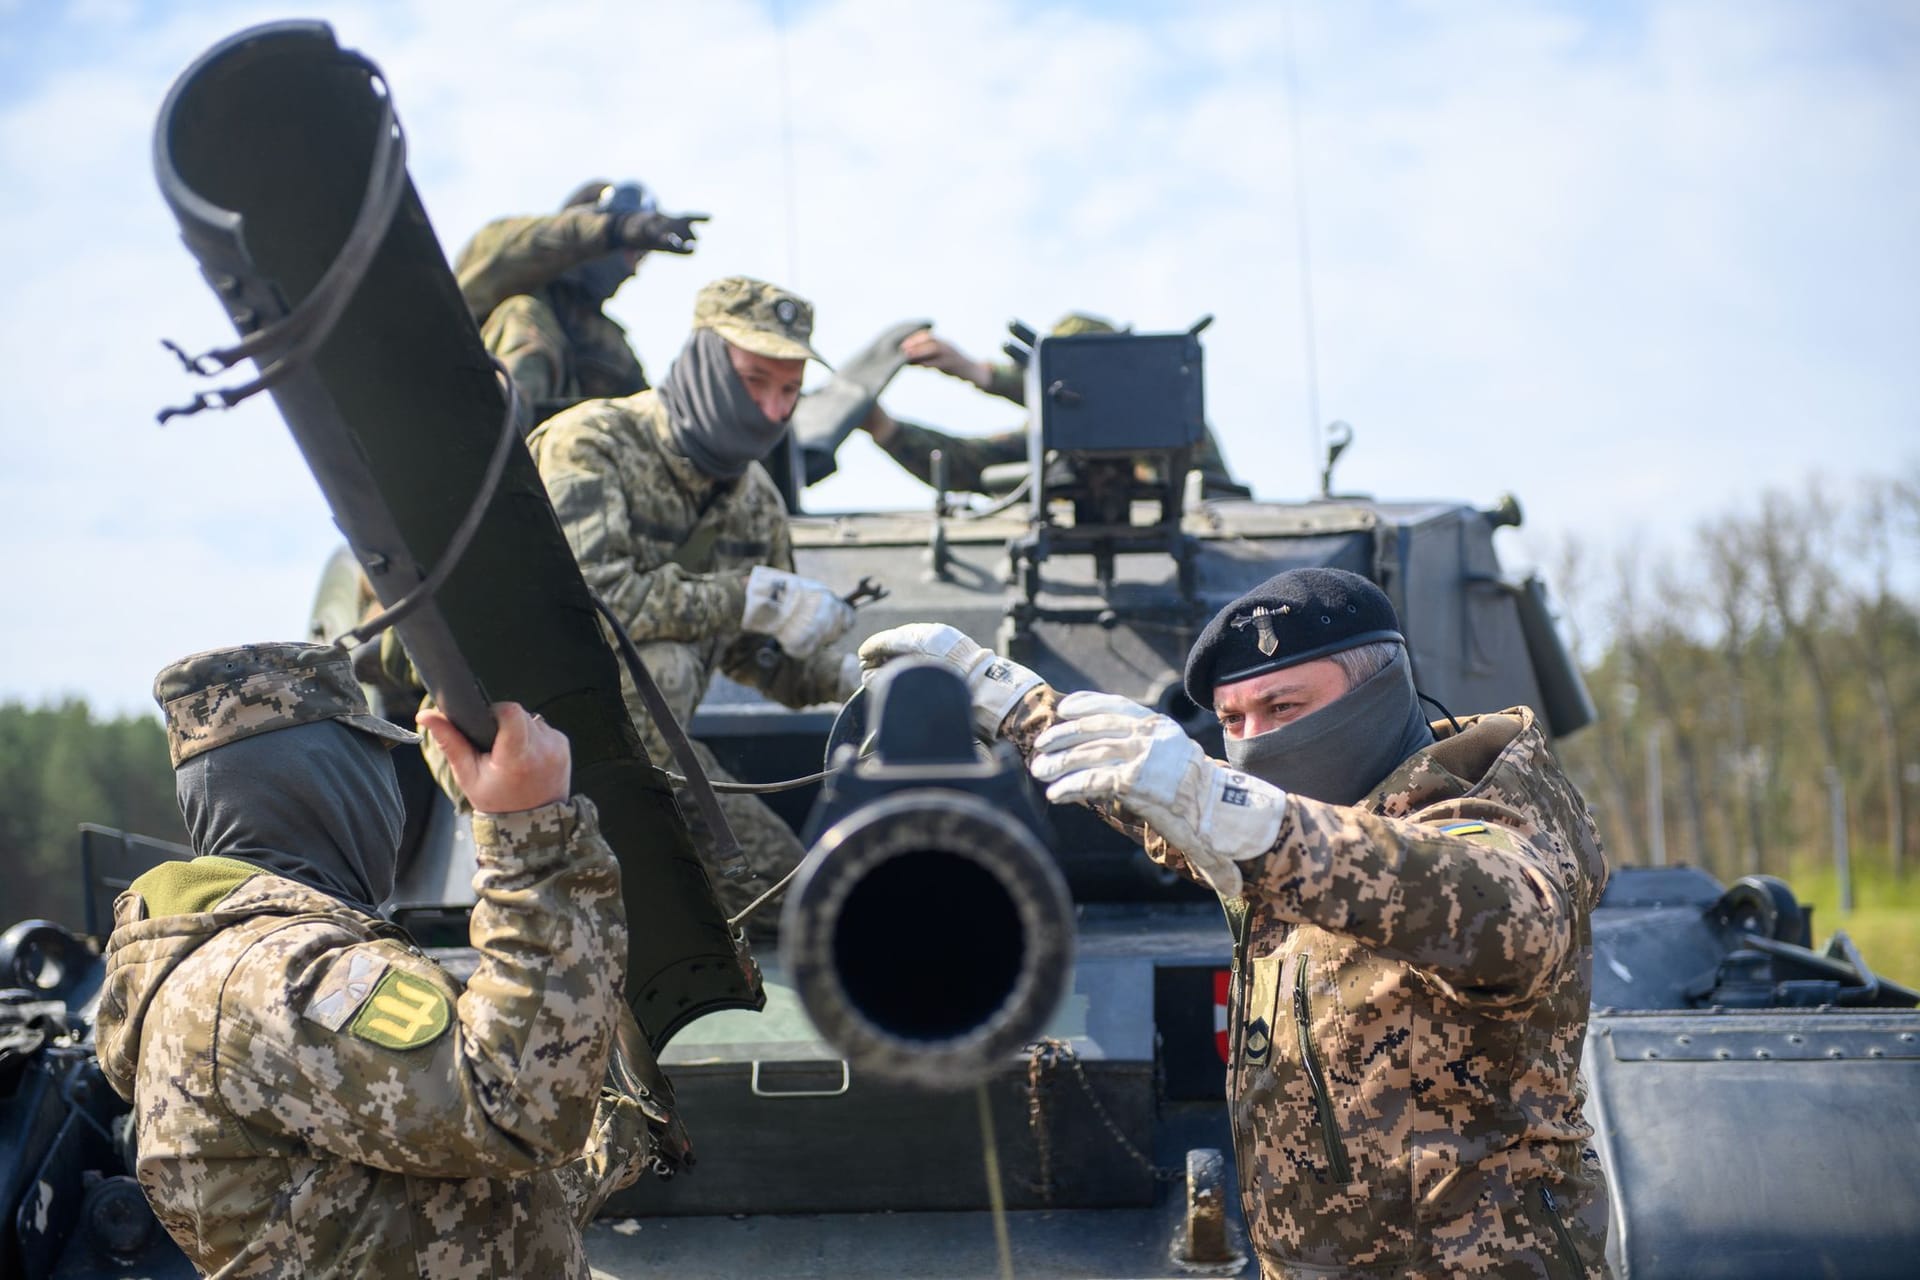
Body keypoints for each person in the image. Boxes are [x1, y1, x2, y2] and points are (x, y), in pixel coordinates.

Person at [858, 567, 1612, 1278]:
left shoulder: (1482, 812)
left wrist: (1242, 816)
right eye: (1231, 720)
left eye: (1284, 708)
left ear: (1379, 694)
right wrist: (1020, 708)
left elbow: (1506, 913)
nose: (1254, 741)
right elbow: (1180, 819)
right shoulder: (1298, 832)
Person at [94, 642, 662, 1278]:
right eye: (377, 759)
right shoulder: (281, 974)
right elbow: (515, 1106)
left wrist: (618, 1130)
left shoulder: (229, 971)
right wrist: (534, 830)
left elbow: (435, 1206)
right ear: (321, 781)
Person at [526, 276, 860, 929]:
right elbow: (592, 601)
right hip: (526, 750)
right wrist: (749, 599)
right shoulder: (591, 442)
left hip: (656, 769)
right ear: (707, 360)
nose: (772, 411)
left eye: (789, 390)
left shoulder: (756, 500)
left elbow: (759, 658)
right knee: (668, 663)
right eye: (754, 380)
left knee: (800, 900)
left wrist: (853, 677)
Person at [860, 312, 1248, 498]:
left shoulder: (1173, 422)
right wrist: (885, 429)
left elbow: (1103, 401)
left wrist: (981, 373)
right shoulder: (1054, 446)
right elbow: (966, 462)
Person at [455, 178, 708, 432]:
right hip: (466, 410)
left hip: (550, 459)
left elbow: (648, 418)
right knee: (521, 313)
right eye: (631, 251)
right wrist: (615, 228)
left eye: (640, 257)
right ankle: (496, 429)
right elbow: (528, 244)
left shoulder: (606, 344)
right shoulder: (501, 260)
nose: (633, 270)